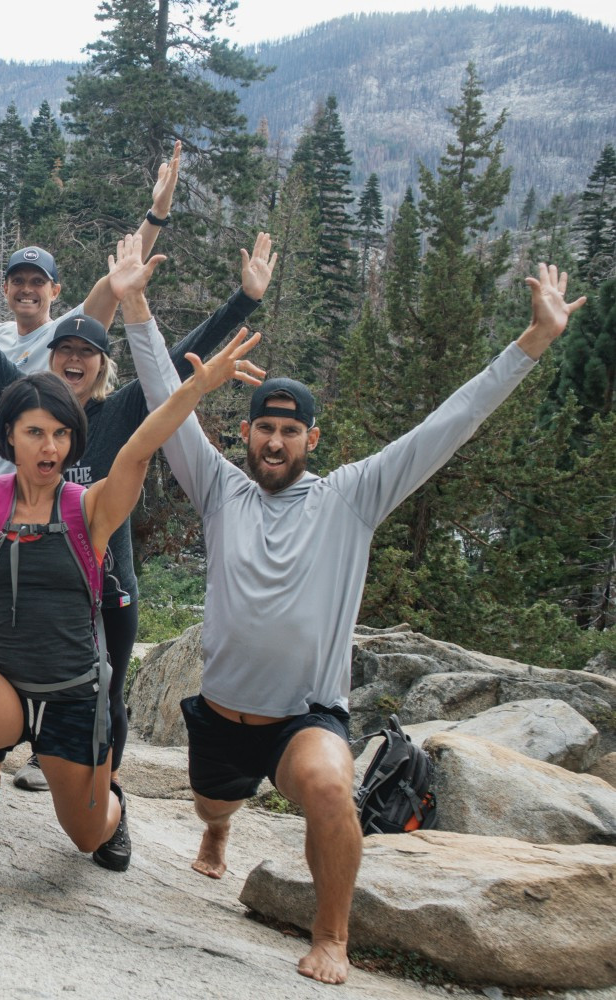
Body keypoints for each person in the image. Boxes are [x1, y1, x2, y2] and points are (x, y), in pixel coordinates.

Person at [122, 238, 586, 982]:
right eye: (263, 428)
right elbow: (162, 402)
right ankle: (218, 832)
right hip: (221, 711)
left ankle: (331, 936)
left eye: (289, 430)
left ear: (312, 438)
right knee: (211, 804)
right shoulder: (217, 489)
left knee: (333, 786)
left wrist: (532, 341)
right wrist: (136, 308)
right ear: (244, 433)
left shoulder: (352, 497)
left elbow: (451, 422)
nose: (274, 442)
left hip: (302, 718)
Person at [0, 295, 262, 910]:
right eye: (34, 433)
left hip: (74, 697)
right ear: (11, 437)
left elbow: (138, 447)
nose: (48, 446)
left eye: (59, 434)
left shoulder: (91, 509)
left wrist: (195, 387)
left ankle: (115, 807)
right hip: (2, 687)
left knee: (86, 835)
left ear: (73, 441)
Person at [0, 143, 182, 794]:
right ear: (7, 287)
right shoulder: (4, 346)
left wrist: (156, 217)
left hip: (74, 528)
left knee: (77, 656)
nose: (28, 291)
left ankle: (80, 774)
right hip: (0, 512)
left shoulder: (68, 341)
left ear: (56, 294)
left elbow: (117, 288)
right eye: (18, 281)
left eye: (39, 283)